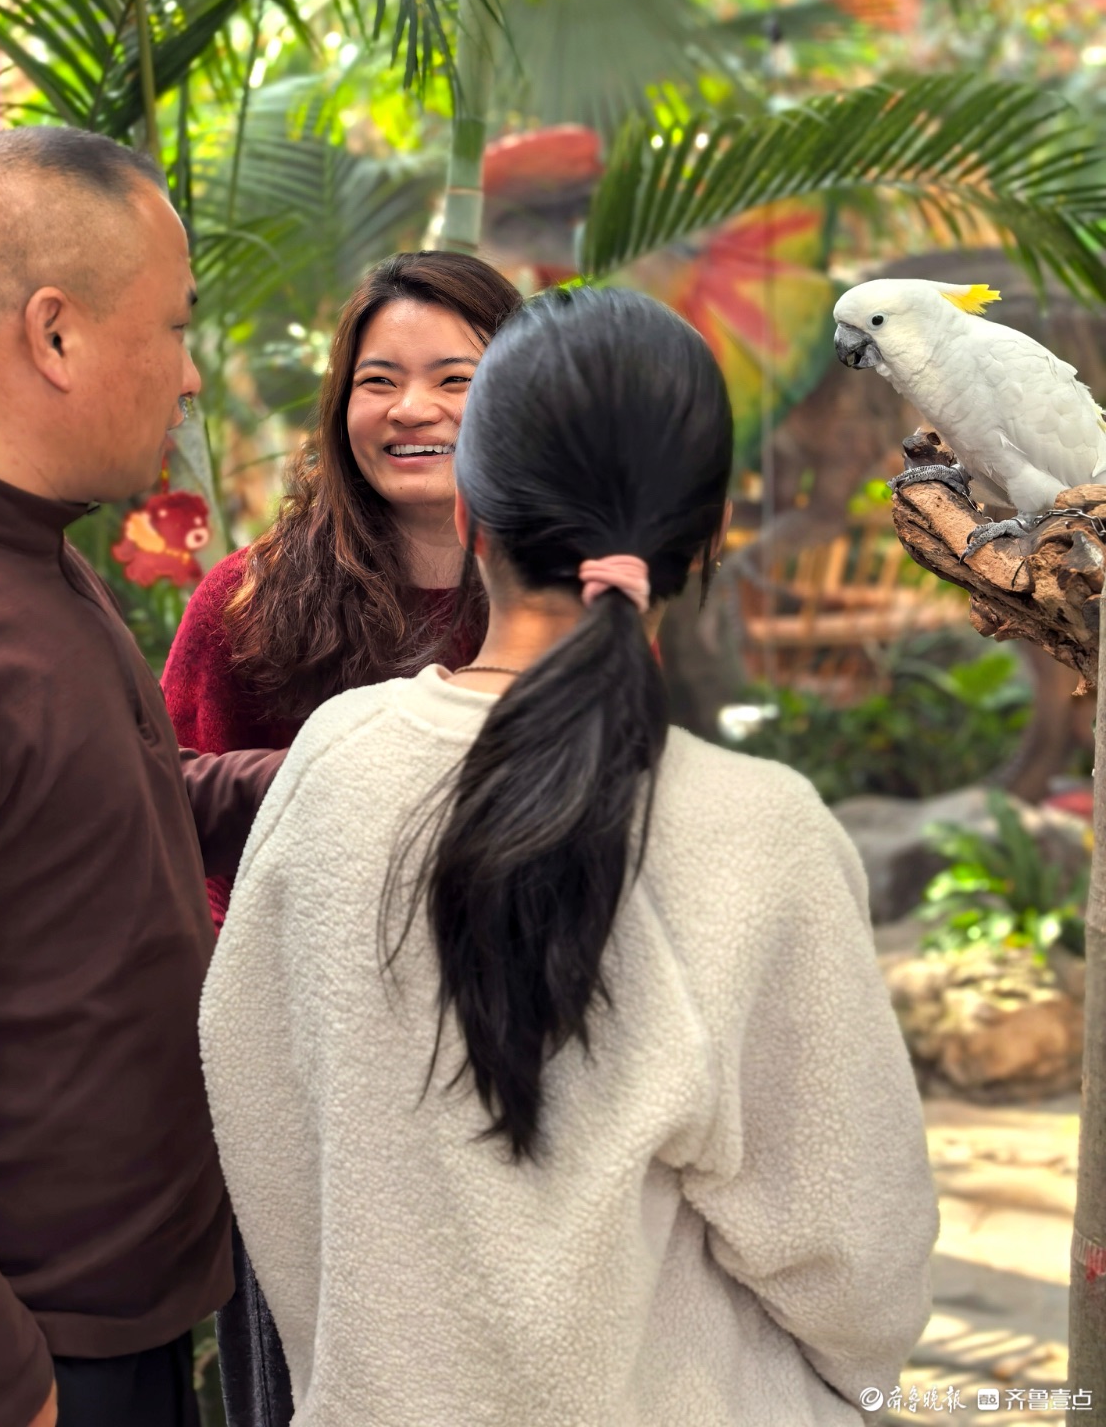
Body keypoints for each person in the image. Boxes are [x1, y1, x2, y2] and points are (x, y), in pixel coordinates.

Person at [201, 287, 939, 1426]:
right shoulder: (757, 830)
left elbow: (260, 1110)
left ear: (472, 506)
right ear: (704, 538)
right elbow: (860, 1270)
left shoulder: (336, 767)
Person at [0, 127, 282, 1427]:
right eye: (174, 328)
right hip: (27, 1356)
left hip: (125, 1317)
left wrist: (322, 774)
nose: (187, 379)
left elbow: (88, 823)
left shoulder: (22, 547)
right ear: (54, 335)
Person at [162, 250, 522, 1425]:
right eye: (381, 378)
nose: (412, 409)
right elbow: (163, 800)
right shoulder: (248, 601)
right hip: (301, 1095)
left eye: (455, 376)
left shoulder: (566, 606)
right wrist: (349, 769)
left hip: (505, 1081)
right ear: (341, 403)